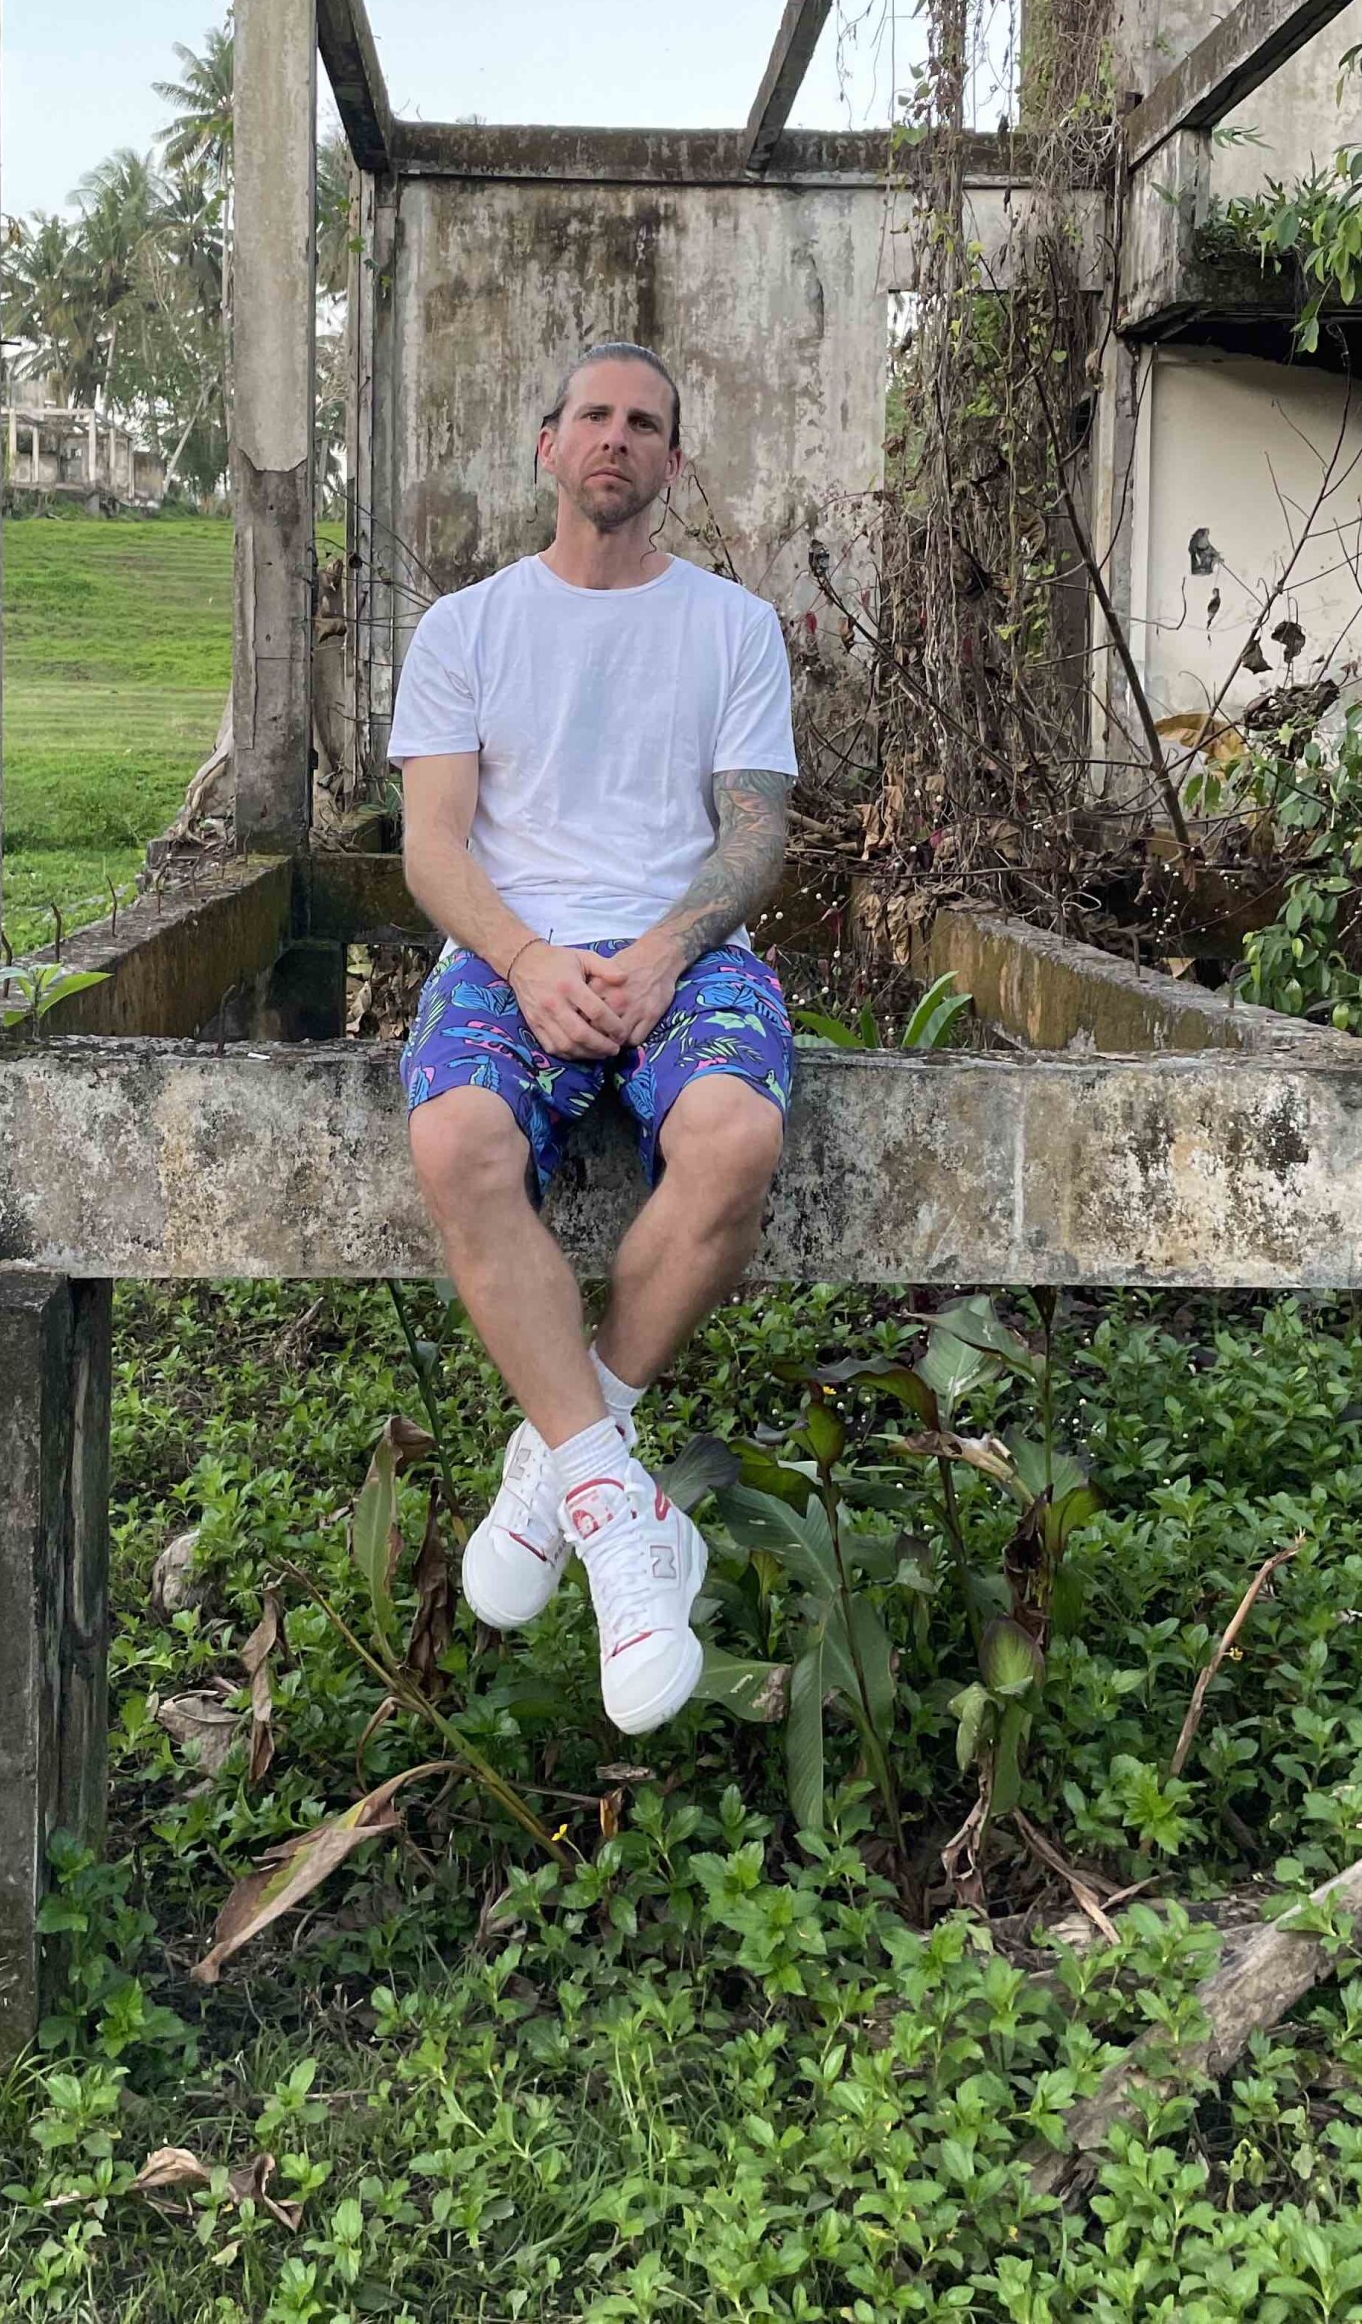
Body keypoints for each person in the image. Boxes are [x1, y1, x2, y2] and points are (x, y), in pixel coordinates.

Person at [389, 341, 796, 1734]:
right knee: (456, 1138)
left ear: (671, 461)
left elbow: (753, 832)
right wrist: (524, 958)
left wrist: (666, 949)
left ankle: (562, 1457)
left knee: (734, 1135)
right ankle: (621, 1513)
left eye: (644, 422)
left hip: (684, 952)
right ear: (548, 446)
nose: (616, 437)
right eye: (593, 416)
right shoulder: (466, 629)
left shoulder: (732, 627)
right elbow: (433, 845)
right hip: (512, 952)